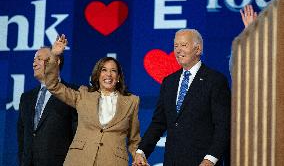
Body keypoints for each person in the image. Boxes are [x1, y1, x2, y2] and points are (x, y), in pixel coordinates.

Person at [134, 29, 231, 166]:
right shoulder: (169, 82)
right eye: (175, 46)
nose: (178, 50)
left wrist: (211, 158)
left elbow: (223, 126)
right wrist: (142, 151)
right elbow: (158, 123)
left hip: (202, 162)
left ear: (198, 49)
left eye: (183, 45)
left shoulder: (215, 80)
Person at [43, 34, 141, 166]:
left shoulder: (132, 101)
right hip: (79, 160)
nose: (108, 74)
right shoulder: (83, 95)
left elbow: (134, 139)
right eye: (104, 70)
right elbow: (53, 85)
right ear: (97, 75)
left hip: (113, 162)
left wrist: (138, 156)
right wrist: (54, 55)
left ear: (118, 77)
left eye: (113, 71)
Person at [17, 47, 78, 166]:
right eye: (34, 60)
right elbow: (22, 137)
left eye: (39, 59)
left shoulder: (72, 93)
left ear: (56, 61)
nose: (34, 64)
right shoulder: (26, 98)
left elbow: (77, 134)